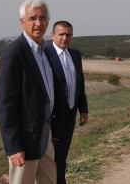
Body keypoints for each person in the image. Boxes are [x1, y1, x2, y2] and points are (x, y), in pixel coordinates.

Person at [0, 0, 57, 183]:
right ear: (22, 22)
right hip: (25, 139)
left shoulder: (45, 52)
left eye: (43, 18)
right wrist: (13, 146)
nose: (38, 23)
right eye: (32, 18)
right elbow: (5, 106)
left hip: (45, 135)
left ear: (48, 21)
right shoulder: (13, 55)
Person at [45, 21, 89, 184]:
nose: (65, 38)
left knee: (61, 158)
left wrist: (83, 109)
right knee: (50, 160)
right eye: (61, 34)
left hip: (69, 116)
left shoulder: (75, 55)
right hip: (52, 117)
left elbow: (80, 84)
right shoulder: (45, 54)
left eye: (68, 35)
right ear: (53, 35)